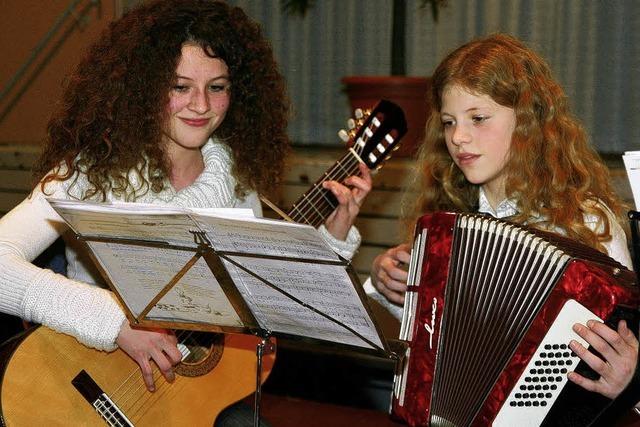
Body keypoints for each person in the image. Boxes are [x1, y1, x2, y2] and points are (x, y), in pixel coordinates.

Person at [0, 0, 371, 422]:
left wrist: (333, 235)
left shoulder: (239, 185)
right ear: (141, 88)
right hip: (91, 385)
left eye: (218, 87)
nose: (201, 105)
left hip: (188, 398)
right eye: (180, 87)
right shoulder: (89, 171)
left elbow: (273, 300)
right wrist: (116, 323)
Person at [365, 33, 639, 417]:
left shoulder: (586, 221)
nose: (458, 137)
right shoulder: (448, 220)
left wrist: (632, 379)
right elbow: (438, 340)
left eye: (478, 118)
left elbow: (622, 349)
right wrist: (391, 284)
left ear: (528, 122)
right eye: (448, 122)